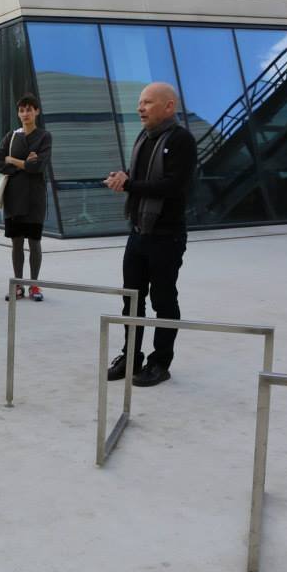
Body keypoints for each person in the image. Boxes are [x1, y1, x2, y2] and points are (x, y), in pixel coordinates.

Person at [103, 82, 196, 388]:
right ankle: (130, 356)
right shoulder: (144, 137)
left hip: (166, 235)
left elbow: (172, 186)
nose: (140, 108)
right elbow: (141, 179)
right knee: (131, 298)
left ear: (169, 106)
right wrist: (123, 178)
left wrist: (129, 185)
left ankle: (160, 362)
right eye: (140, 102)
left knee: (163, 299)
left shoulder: (181, 140)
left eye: (147, 102)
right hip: (139, 232)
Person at [0, 94, 53, 302]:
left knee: (34, 242)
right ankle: (18, 285)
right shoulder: (11, 136)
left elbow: (38, 166)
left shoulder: (44, 137)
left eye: (29, 109)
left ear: (36, 111)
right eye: (22, 110)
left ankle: (34, 285)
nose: (25, 114)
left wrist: (13, 160)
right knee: (17, 243)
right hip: (13, 198)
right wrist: (25, 163)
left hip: (35, 199)